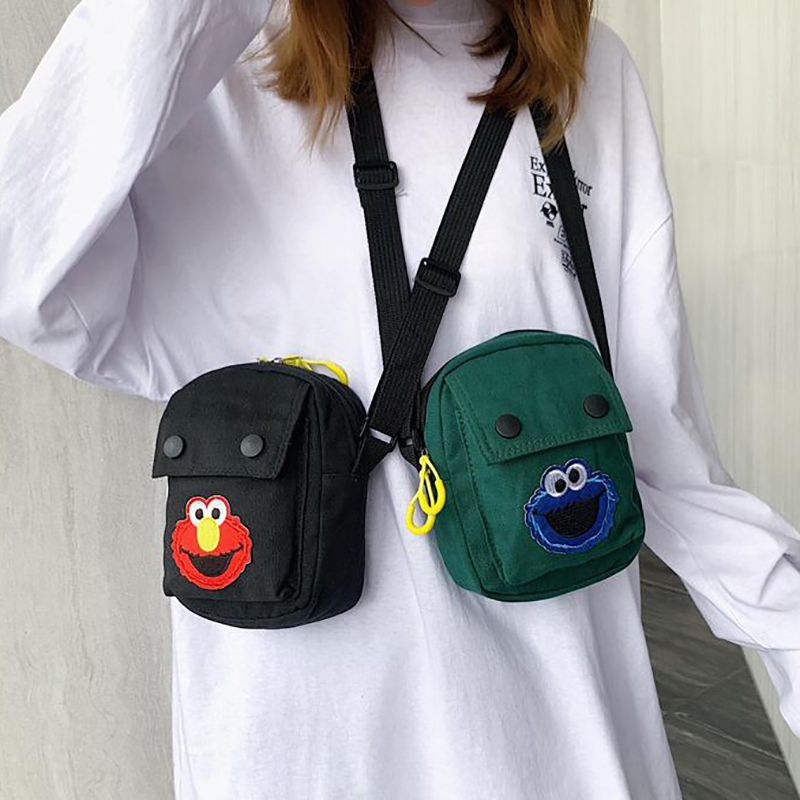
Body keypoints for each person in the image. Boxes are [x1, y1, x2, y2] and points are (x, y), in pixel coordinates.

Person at [1, 0, 798, 797]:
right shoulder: (215, 70)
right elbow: (20, 266)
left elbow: (662, 445)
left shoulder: (586, 72)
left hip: (563, 751)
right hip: (298, 762)